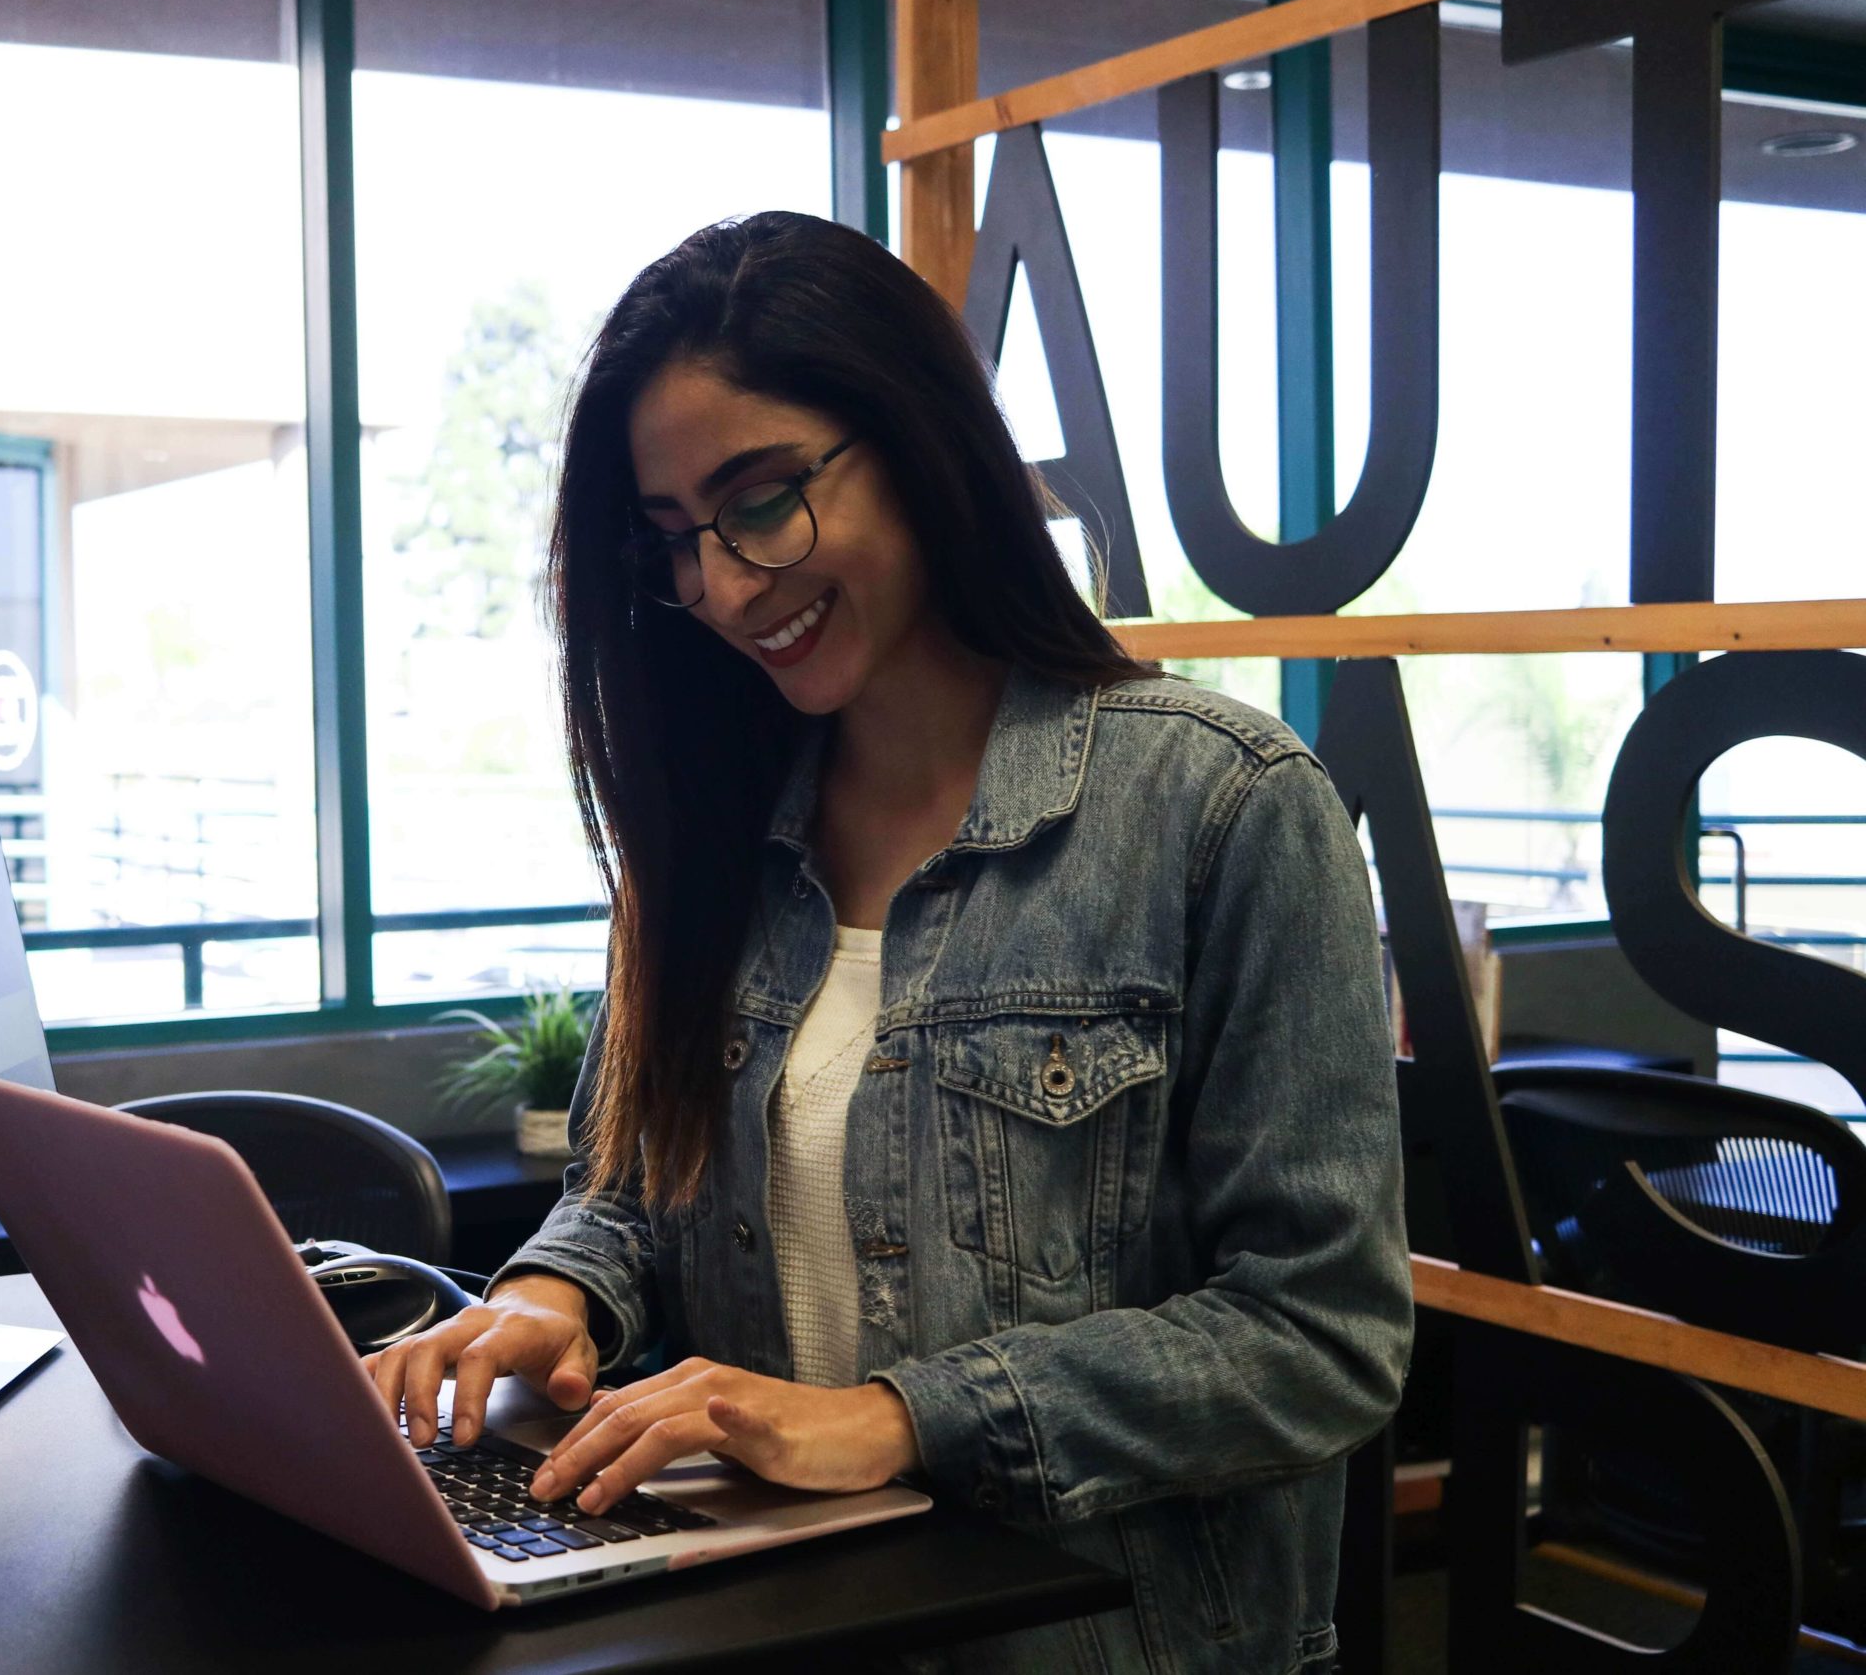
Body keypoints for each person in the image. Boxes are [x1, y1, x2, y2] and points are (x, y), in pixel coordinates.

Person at [369, 211, 1411, 1673]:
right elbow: (631, 1191)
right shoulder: (708, 843)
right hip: (780, 1633)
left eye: (764, 500)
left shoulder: (1222, 808)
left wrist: (897, 1419)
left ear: (920, 445)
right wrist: (549, 1295)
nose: (724, 587)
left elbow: (1321, 1337)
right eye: (674, 541)